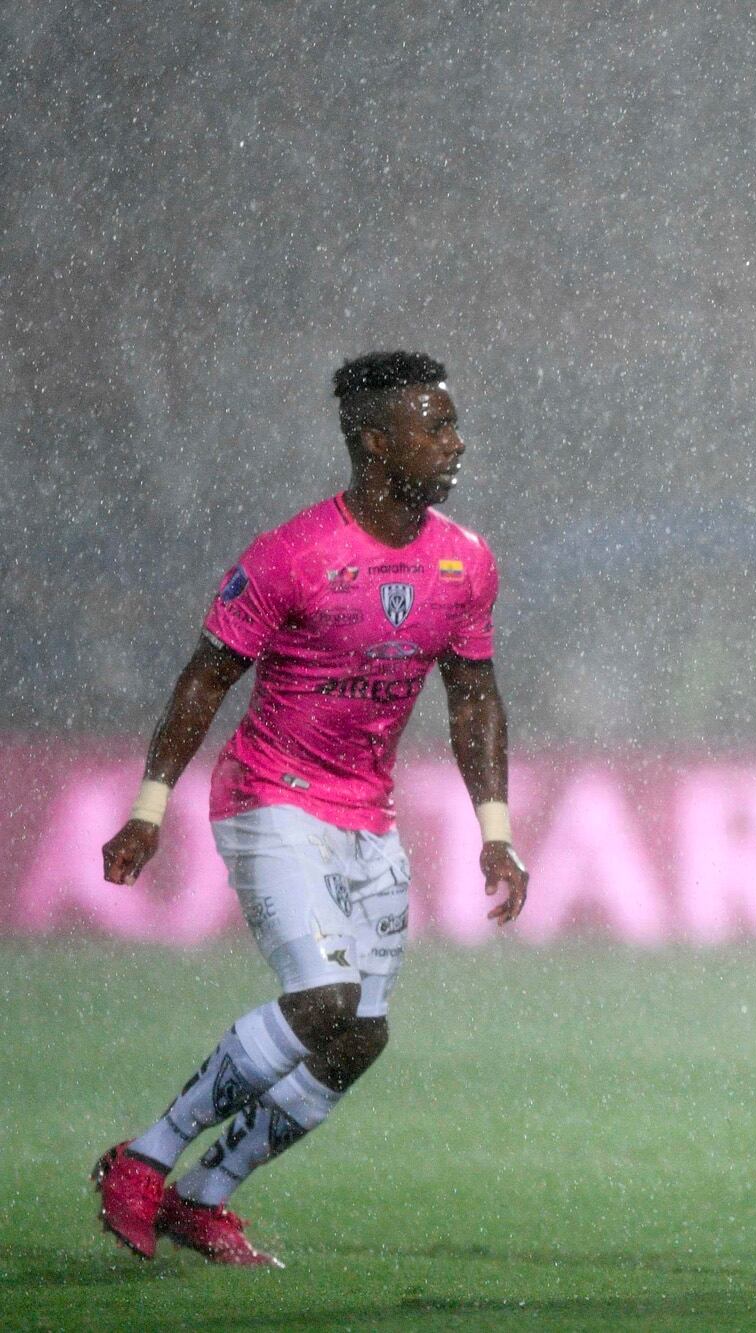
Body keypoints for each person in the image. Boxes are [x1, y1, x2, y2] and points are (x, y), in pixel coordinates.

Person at [92, 351, 529, 1264]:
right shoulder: (292, 555)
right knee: (323, 997)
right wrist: (148, 805)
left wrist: (498, 834)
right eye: (435, 426)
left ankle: (203, 1198)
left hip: (367, 815)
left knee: (360, 1035)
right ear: (376, 443)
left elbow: (474, 695)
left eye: (451, 423)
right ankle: (143, 1161)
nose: (456, 442)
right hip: (269, 796)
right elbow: (205, 678)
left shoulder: (466, 559)